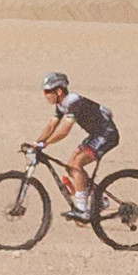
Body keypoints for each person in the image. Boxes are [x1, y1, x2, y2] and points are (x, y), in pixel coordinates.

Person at [32, 73, 120, 223]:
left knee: (77, 164)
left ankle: (82, 210)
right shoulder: (61, 105)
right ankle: (99, 199)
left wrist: (45, 144)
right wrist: (36, 142)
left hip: (107, 134)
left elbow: (64, 131)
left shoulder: (73, 102)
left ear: (59, 91)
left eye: (47, 91)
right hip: (96, 134)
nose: (44, 95)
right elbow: (51, 126)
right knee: (70, 166)